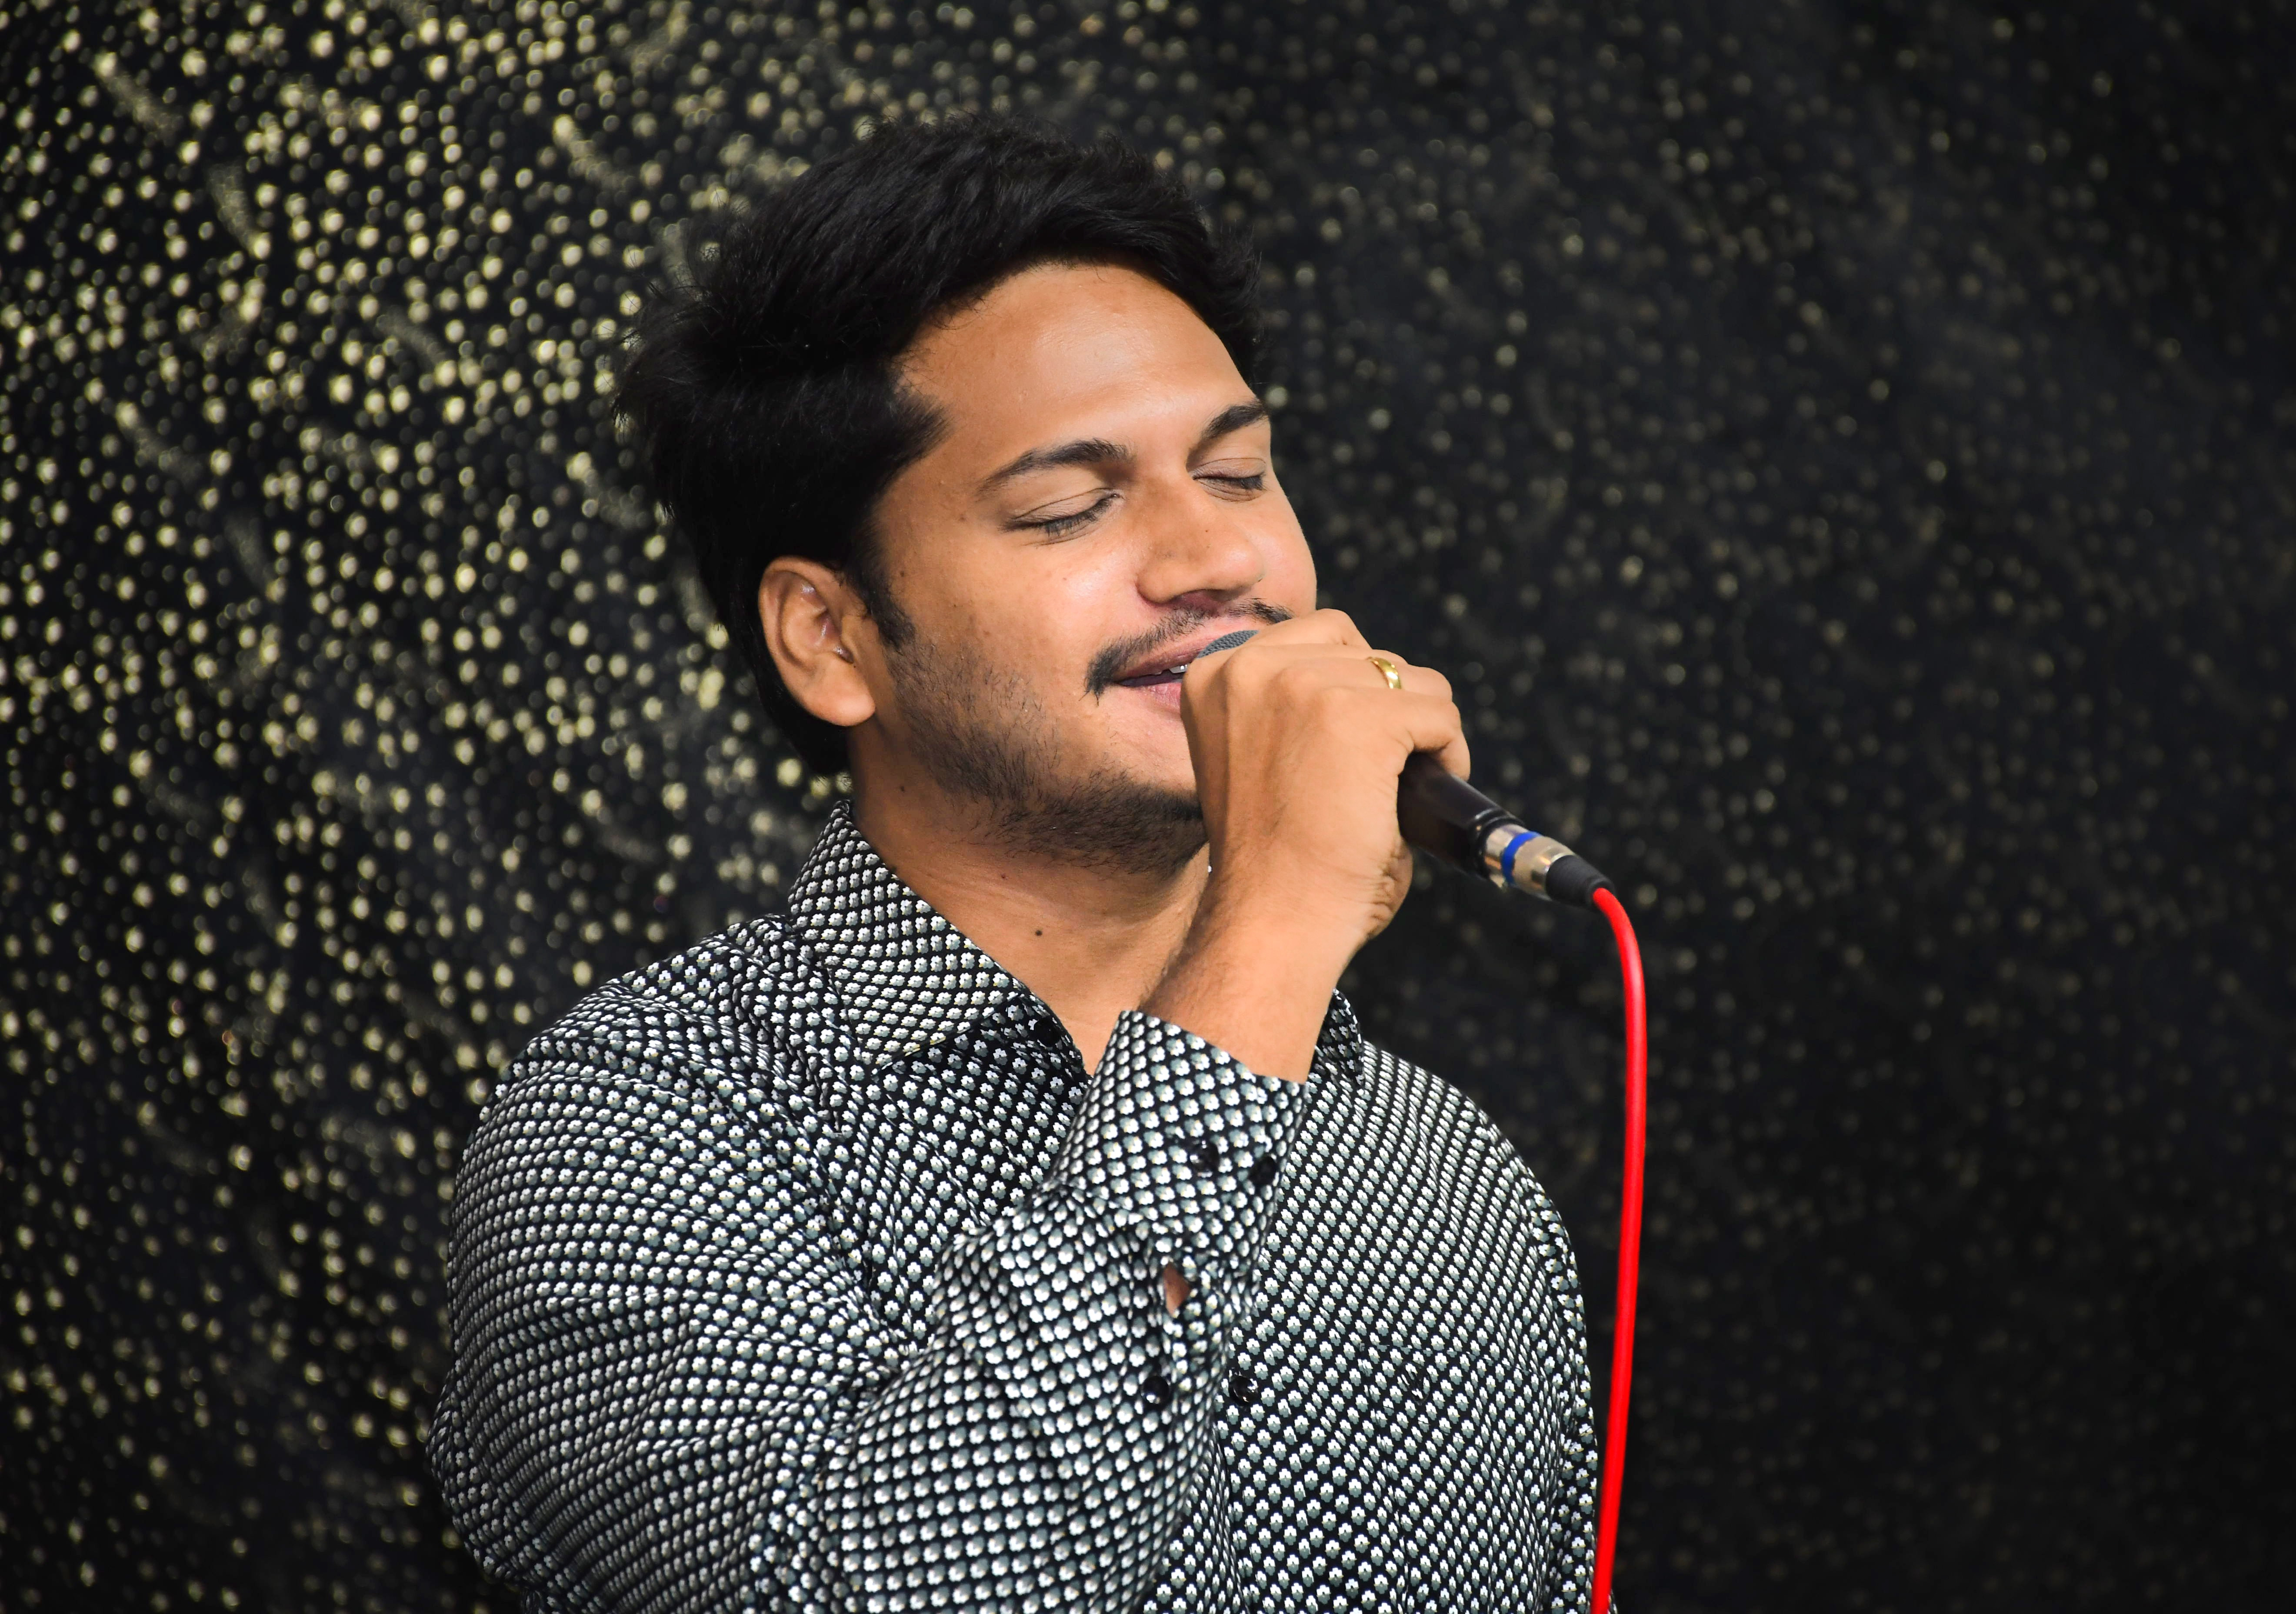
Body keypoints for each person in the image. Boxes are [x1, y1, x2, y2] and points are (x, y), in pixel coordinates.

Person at [430, 113, 1596, 1612]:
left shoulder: (1447, 1171)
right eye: (1070, 507)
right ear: (830, 637)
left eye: (1240, 475)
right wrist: (1275, 925)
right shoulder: (637, 1129)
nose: (1215, 561)